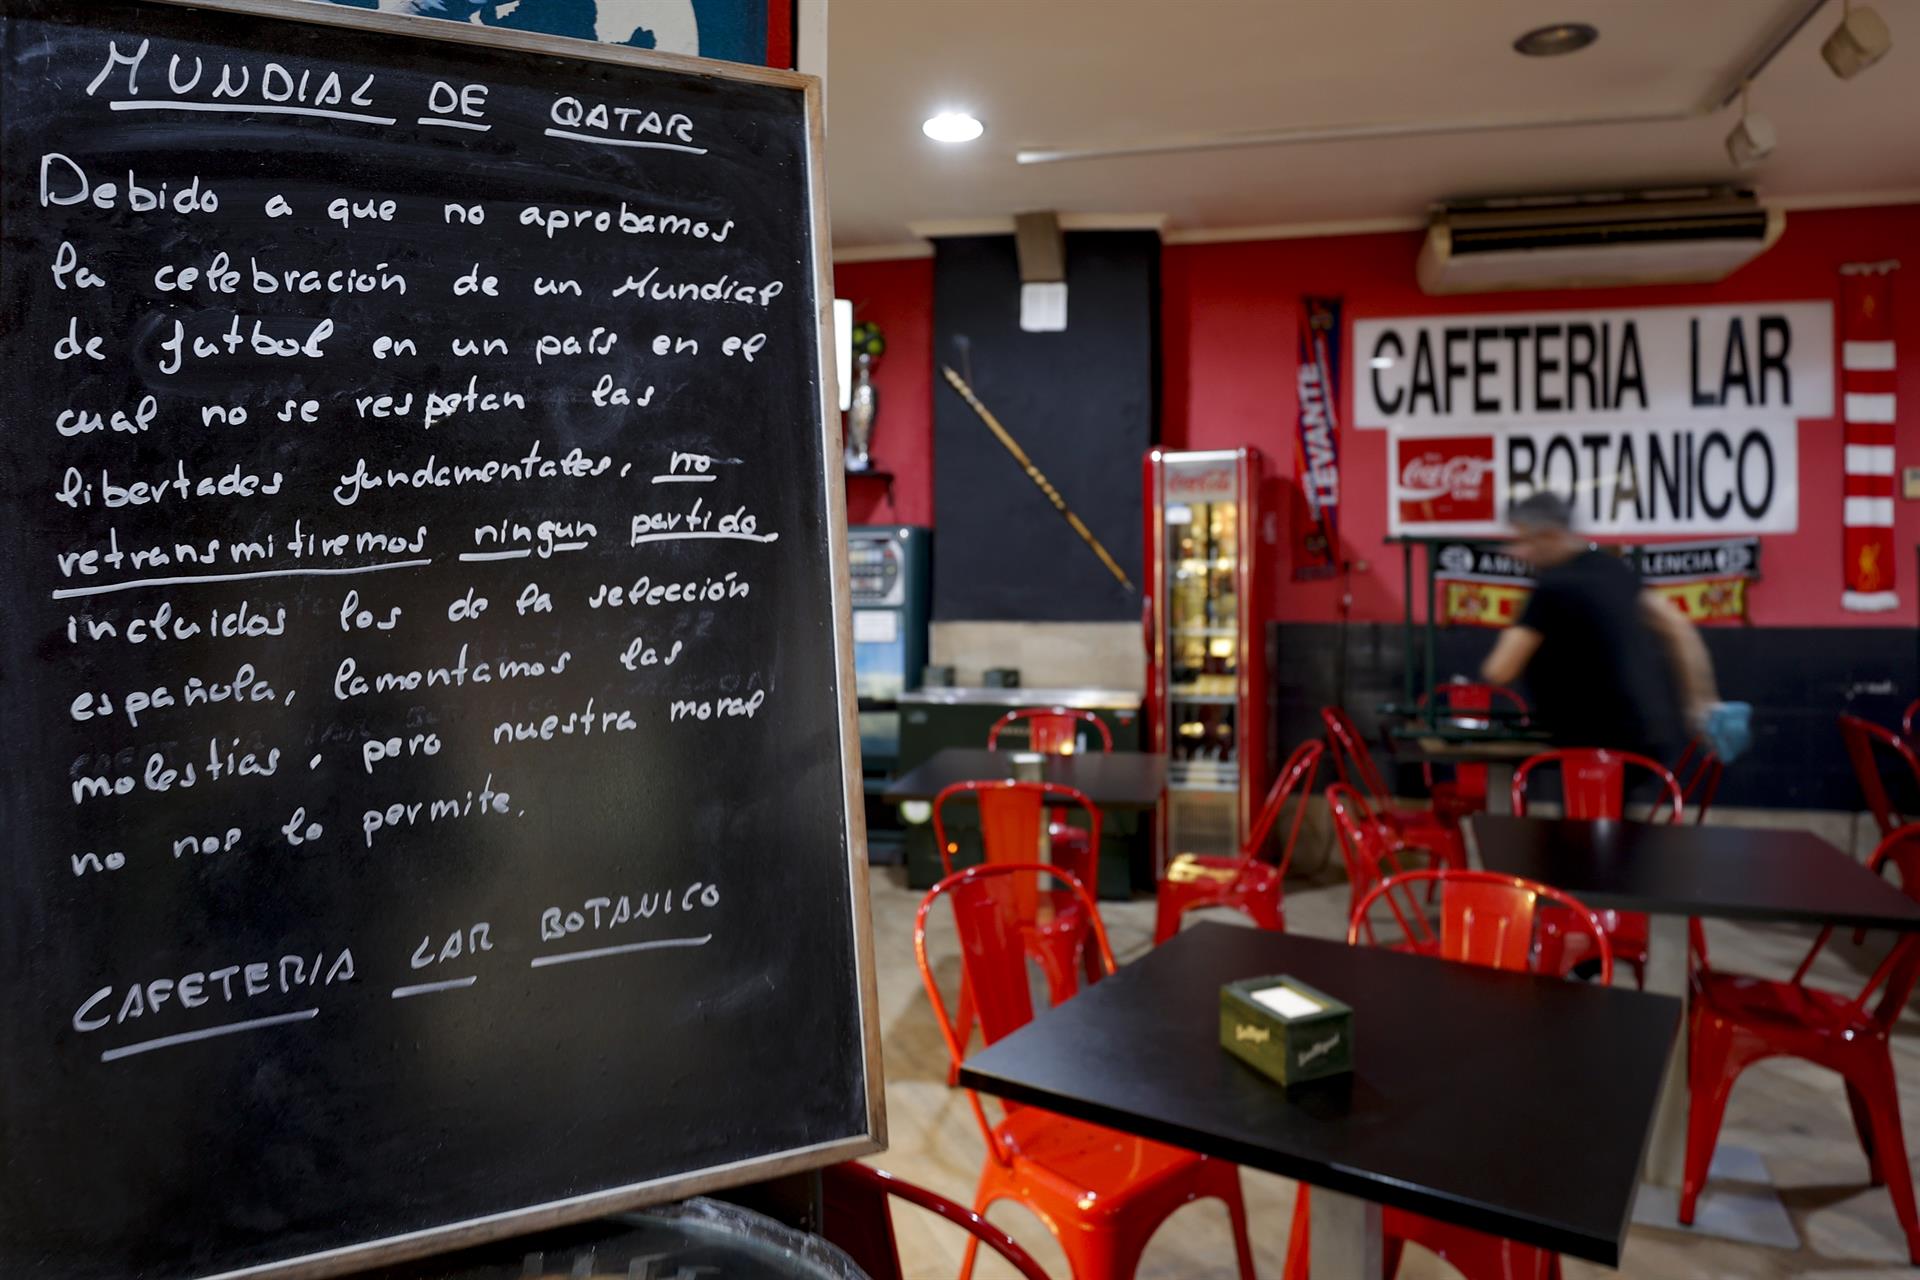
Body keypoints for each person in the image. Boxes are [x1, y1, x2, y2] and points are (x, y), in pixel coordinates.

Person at [1480, 491, 1716, 760]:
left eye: (1524, 540)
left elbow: (1499, 669)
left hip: (1591, 745)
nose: (1519, 552)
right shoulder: (1613, 569)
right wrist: (1700, 703)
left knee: (1588, 802)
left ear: (1549, 536)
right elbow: (1677, 627)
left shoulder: (1552, 588)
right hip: (1643, 736)